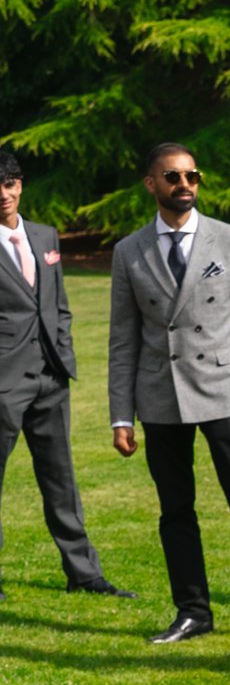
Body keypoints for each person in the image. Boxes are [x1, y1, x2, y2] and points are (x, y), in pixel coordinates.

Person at [107, 143, 230, 642]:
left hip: (225, 392)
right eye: (172, 177)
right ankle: (193, 611)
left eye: (192, 176)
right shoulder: (128, 251)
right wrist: (120, 415)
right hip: (161, 395)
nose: (185, 185)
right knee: (176, 511)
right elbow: (122, 340)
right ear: (151, 184)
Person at [0, 149, 129, 601]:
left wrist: (64, 355)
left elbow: (58, 305)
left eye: (10, 184)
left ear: (21, 185)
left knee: (61, 480)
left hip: (51, 380)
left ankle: (84, 574)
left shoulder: (44, 235)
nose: (4, 194)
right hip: (3, 383)